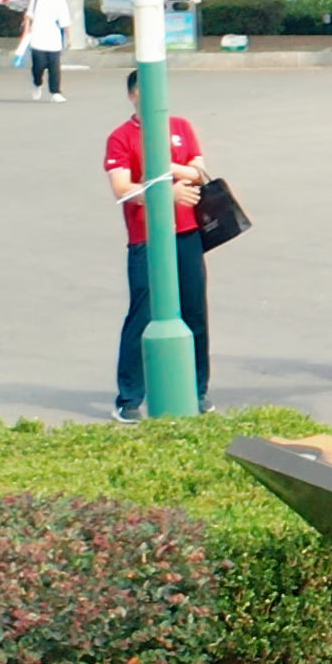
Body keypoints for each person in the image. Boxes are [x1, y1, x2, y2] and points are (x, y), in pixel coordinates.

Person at [106, 71, 213, 419]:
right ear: (133, 96)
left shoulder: (180, 127)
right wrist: (168, 192)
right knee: (143, 315)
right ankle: (129, 399)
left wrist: (166, 167)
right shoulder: (121, 137)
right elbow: (123, 188)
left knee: (194, 313)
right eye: (145, 91)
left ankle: (196, 390)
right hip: (147, 238)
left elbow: (199, 171)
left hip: (186, 234)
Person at [16, 0, 70, 99]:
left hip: (54, 39)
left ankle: (55, 92)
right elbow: (29, 15)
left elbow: (65, 22)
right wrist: (26, 30)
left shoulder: (60, 0)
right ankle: (37, 83)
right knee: (38, 66)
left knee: (54, 68)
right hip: (38, 38)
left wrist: (69, 38)